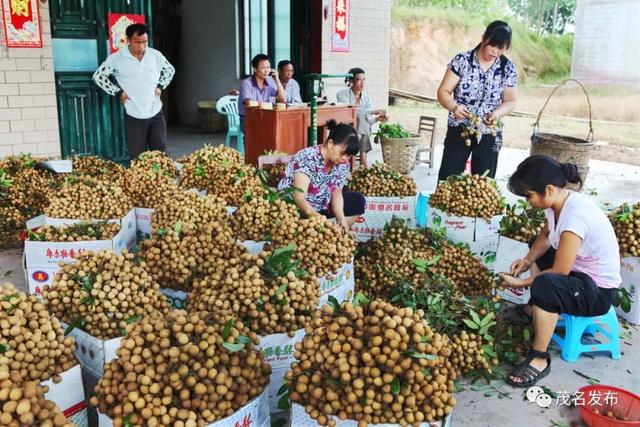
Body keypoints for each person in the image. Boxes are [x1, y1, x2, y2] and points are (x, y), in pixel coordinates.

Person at [499, 155, 621, 387]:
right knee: (536, 243)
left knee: (546, 284)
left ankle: (539, 358)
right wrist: (526, 261)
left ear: (549, 189)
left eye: (529, 196)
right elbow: (545, 236)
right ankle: (536, 307)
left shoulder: (575, 217)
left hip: (597, 292)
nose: (527, 201)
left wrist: (522, 282)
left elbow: (560, 272)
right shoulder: (559, 202)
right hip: (579, 273)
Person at [436, 20, 518, 181]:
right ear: (483, 38)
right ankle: (443, 207)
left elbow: (511, 101)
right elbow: (443, 91)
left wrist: (497, 113)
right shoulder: (462, 60)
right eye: (492, 45)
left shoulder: (507, 68)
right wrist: (454, 107)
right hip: (460, 128)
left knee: (483, 183)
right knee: (449, 178)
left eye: (501, 48)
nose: (495, 52)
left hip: (489, 131)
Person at [93, 23, 175, 160]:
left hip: (156, 112)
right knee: (138, 156)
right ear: (128, 40)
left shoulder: (155, 55)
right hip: (134, 113)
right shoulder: (117, 59)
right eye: (138, 42)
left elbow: (170, 70)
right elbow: (98, 76)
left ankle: (162, 180)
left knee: (160, 152)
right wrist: (118, 92)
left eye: (145, 42)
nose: (142, 47)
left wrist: (160, 86)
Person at [278, 120, 365, 232]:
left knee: (357, 200)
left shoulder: (342, 164)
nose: (345, 158)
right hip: (296, 208)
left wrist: (341, 218)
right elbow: (299, 197)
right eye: (343, 153)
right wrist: (319, 219)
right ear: (330, 144)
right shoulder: (307, 158)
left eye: (349, 156)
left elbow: (336, 192)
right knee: (298, 217)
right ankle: (319, 230)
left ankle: (336, 233)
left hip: (321, 205)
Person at [336, 67, 388, 168]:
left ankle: (362, 154)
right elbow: (350, 110)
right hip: (346, 127)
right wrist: (372, 111)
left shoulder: (367, 99)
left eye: (364, 79)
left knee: (363, 120)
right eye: (359, 79)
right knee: (360, 115)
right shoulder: (342, 95)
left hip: (360, 131)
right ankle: (363, 157)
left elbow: (368, 121)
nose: (362, 83)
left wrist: (377, 119)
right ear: (351, 81)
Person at [238, 53, 286, 131]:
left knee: (281, 127)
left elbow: (283, 99)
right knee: (269, 129)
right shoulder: (246, 83)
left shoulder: (270, 82)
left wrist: (277, 79)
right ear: (255, 69)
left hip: (265, 118)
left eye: (268, 67)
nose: (267, 70)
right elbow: (249, 103)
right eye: (263, 68)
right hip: (248, 119)